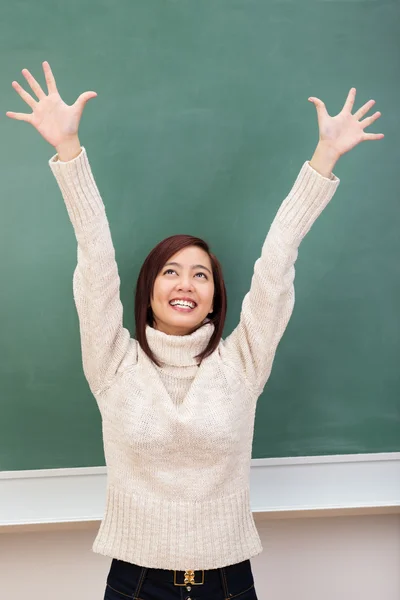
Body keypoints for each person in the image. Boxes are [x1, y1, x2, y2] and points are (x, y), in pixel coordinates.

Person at [7, 61, 383, 600]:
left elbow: (277, 262)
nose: (186, 284)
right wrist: (68, 150)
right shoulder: (113, 362)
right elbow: (95, 258)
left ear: (212, 300)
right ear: (150, 290)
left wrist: (323, 159)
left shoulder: (242, 361)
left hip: (230, 584)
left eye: (201, 274)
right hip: (134, 583)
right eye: (171, 271)